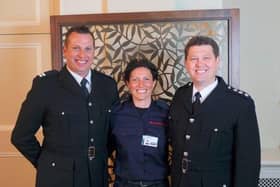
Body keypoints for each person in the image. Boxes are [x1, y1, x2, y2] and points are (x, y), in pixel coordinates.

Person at [11, 25, 119, 187]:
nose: (83, 55)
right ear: (65, 50)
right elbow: (21, 135)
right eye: (76, 48)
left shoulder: (107, 86)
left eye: (88, 48)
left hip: (96, 175)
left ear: (94, 52)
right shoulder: (46, 86)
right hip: (58, 178)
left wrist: (100, 157)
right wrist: (46, 163)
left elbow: (112, 132)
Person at [169, 36, 260, 187]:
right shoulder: (180, 96)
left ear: (217, 61)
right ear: (186, 63)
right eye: (193, 59)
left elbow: (248, 162)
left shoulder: (240, 103)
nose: (200, 64)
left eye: (206, 58)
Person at [110, 59, 169, 187]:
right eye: (135, 80)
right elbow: (105, 147)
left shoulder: (166, 113)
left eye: (146, 79)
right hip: (125, 183)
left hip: (158, 184)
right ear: (128, 83)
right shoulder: (116, 114)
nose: (141, 85)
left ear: (153, 83)